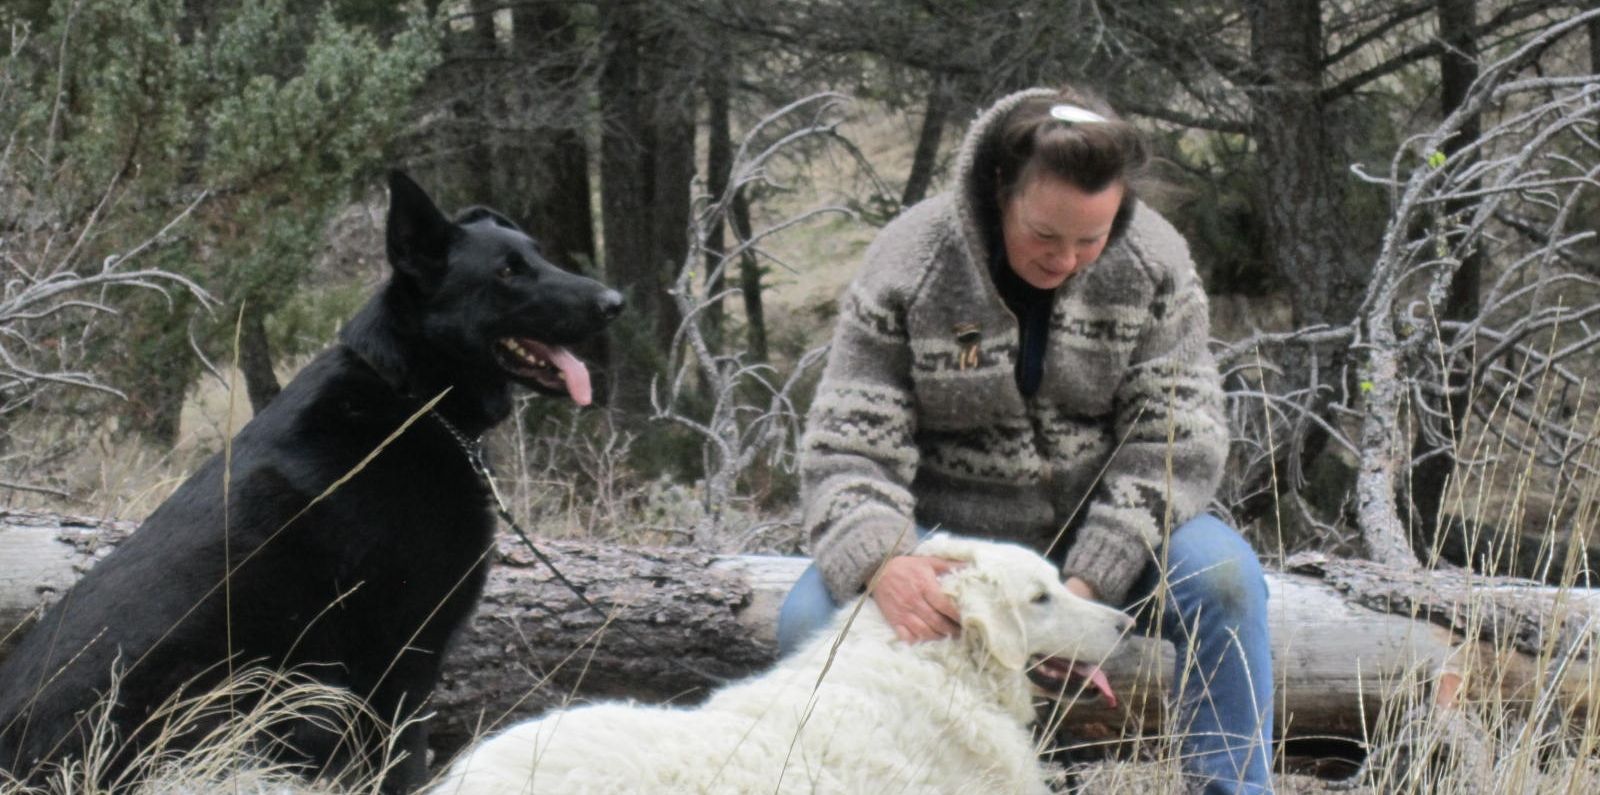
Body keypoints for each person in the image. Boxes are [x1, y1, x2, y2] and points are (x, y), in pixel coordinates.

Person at [780, 86, 1274, 795]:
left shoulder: (1157, 260)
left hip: (1114, 534)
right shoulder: (911, 261)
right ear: (999, 188)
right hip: (951, 546)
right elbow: (847, 448)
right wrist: (886, 560)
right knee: (808, 621)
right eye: (1045, 235)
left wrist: (1082, 586)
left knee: (1226, 582)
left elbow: (1176, 441)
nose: (1067, 258)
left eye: (1090, 239)